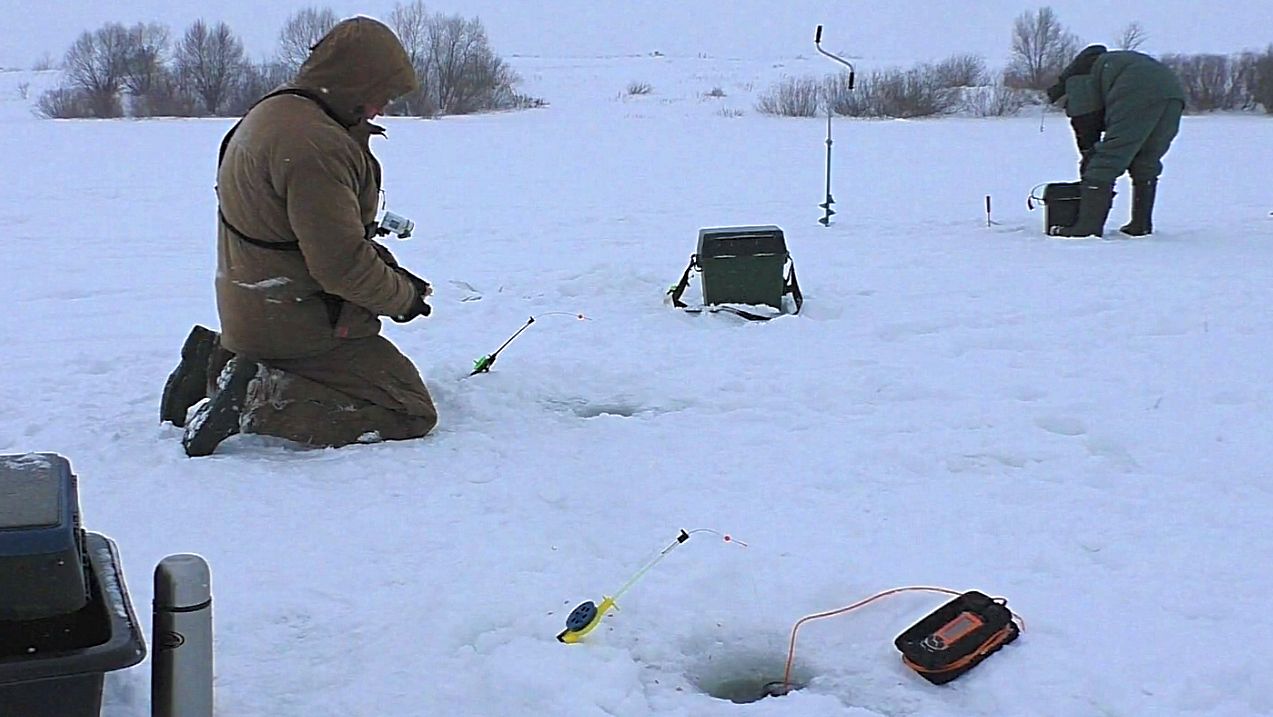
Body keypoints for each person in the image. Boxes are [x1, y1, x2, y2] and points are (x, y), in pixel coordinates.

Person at [160, 17, 437, 457]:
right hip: (295, 323)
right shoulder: (316, 146)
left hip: (252, 305)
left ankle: (217, 360)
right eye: (380, 95)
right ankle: (254, 398)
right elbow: (341, 267)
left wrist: (390, 274)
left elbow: (309, 235)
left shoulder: (276, 111)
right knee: (408, 410)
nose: (382, 109)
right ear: (355, 82)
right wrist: (403, 299)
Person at [1046, 45, 1185, 238]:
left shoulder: (1077, 79)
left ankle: (1087, 228)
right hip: (1172, 90)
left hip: (1135, 87)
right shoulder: (1103, 66)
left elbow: (1085, 124)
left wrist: (1089, 161)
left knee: (1107, 160)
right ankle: (1141, 224)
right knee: (1146, 158)